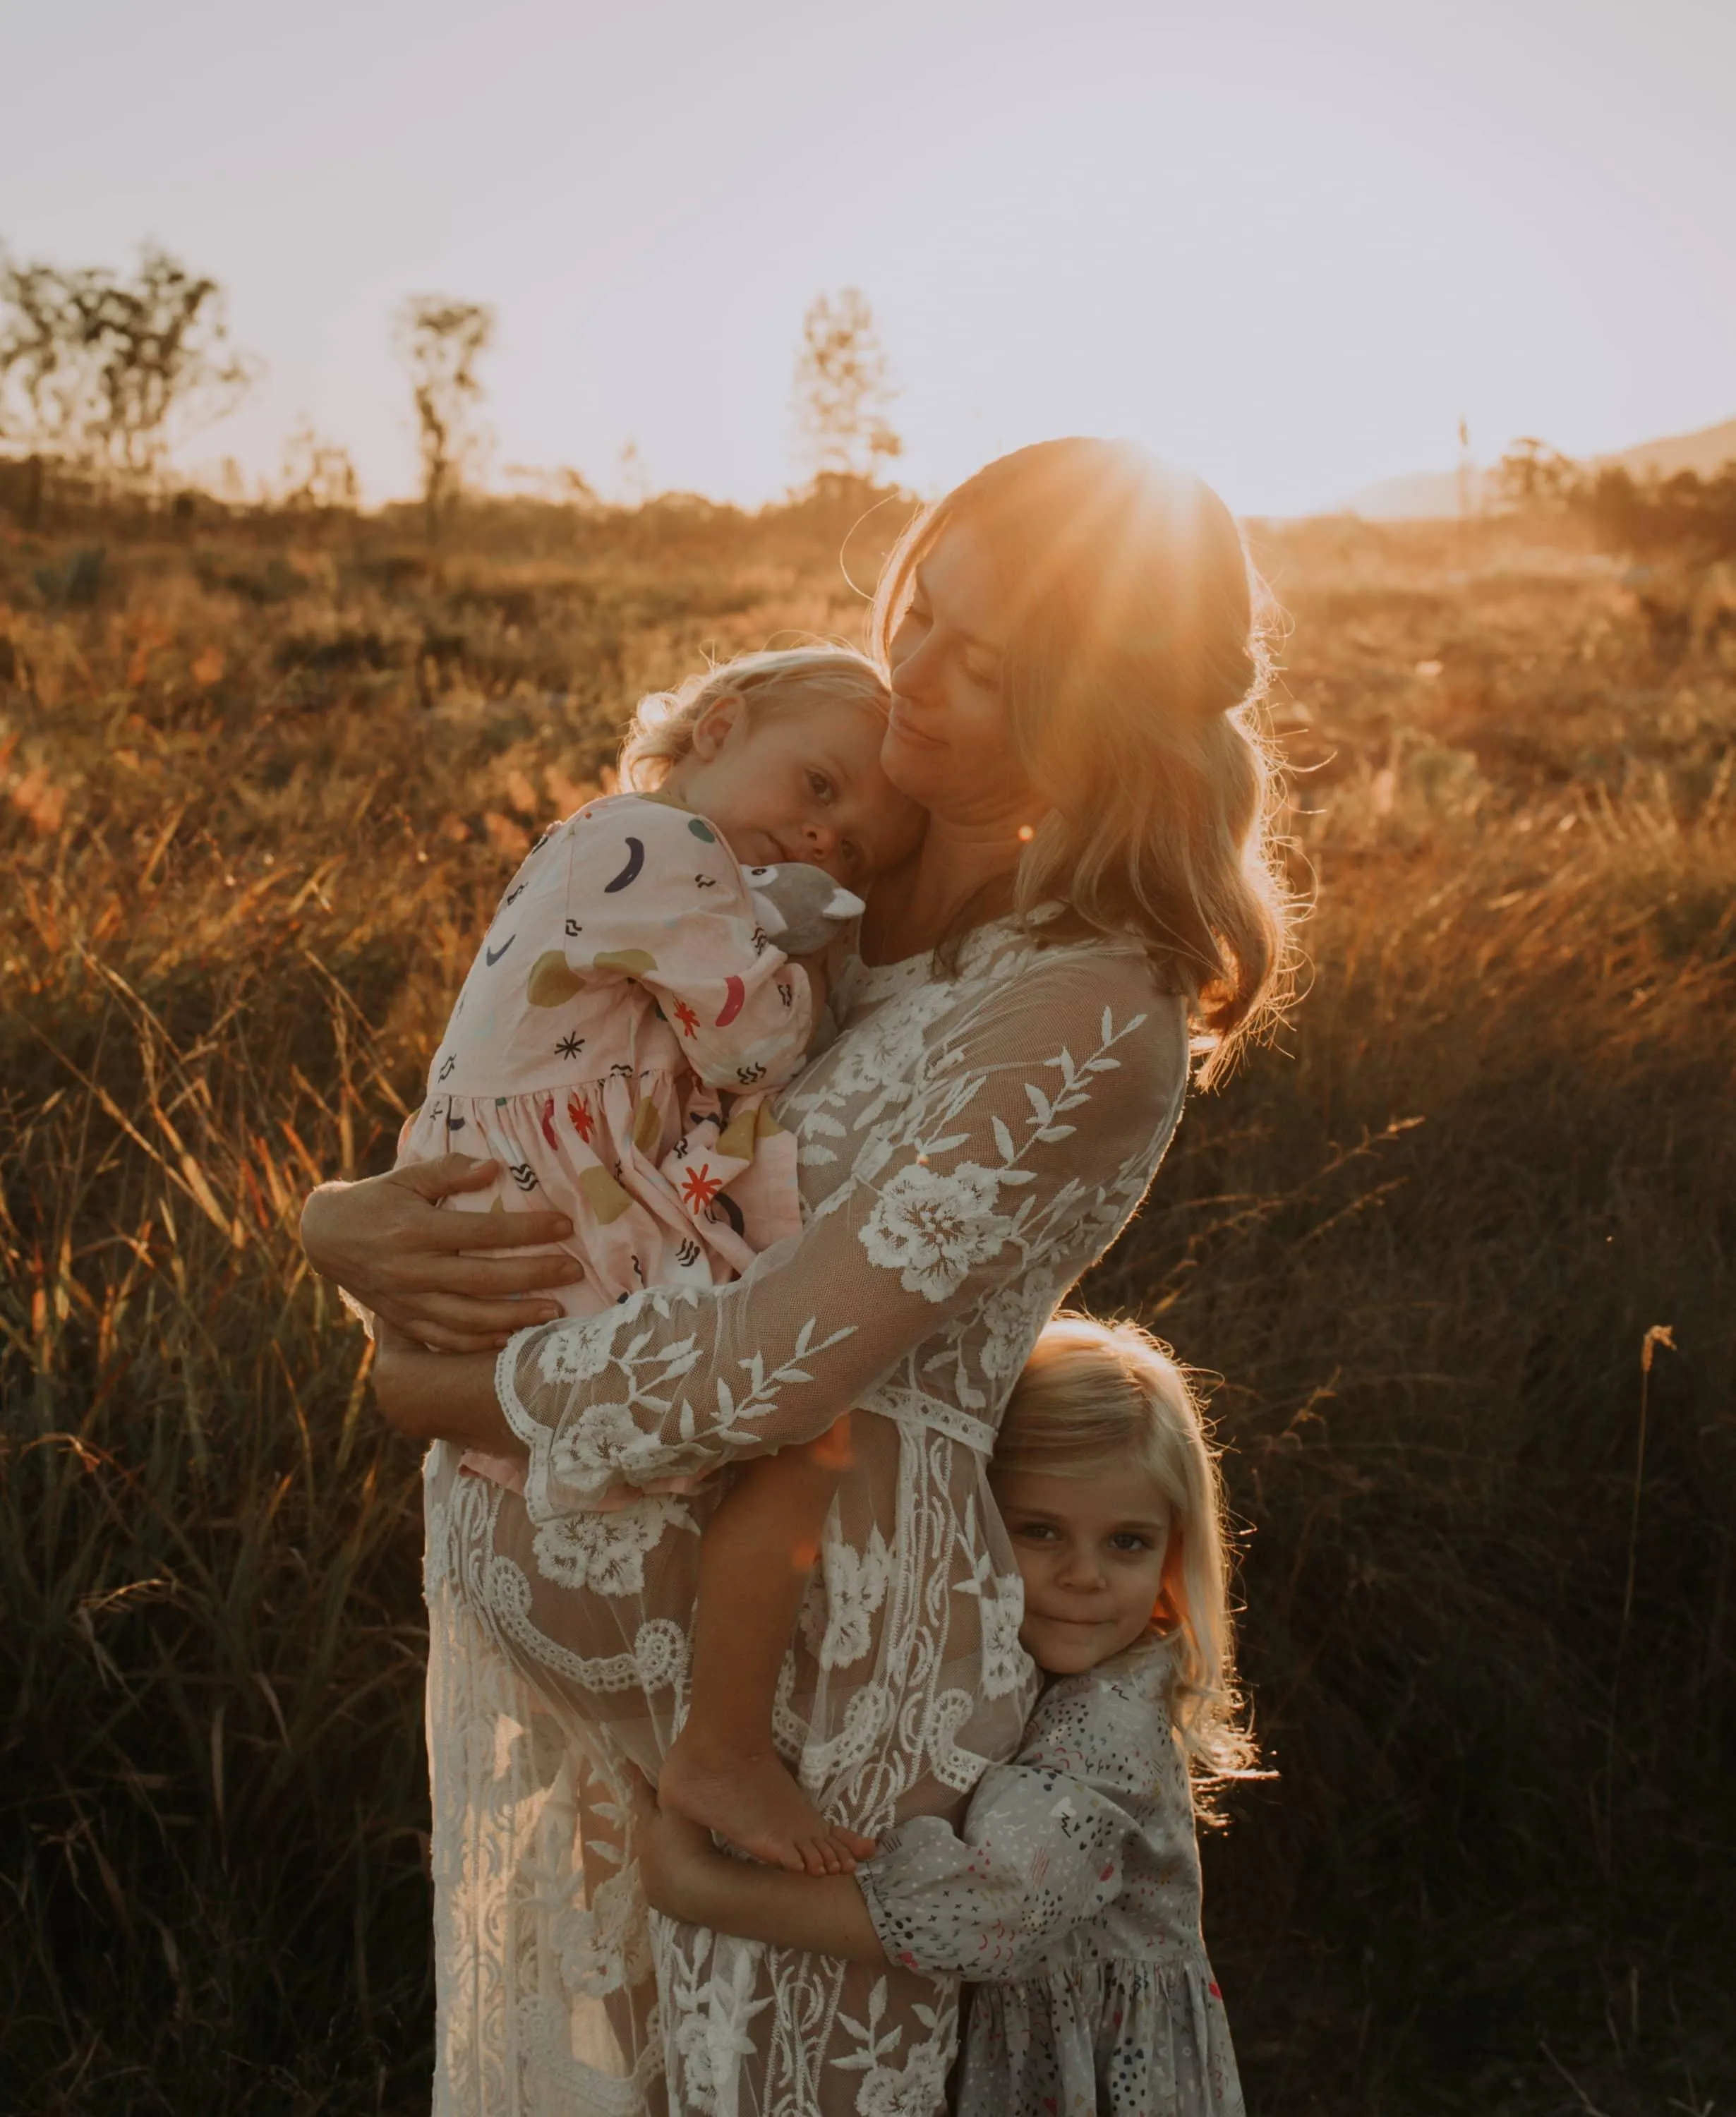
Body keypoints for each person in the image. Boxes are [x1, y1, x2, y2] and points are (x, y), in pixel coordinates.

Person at [301, 438, 1291, 2117]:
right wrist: (340, 1220)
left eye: (995, 669)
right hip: (620, 1684)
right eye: (927, 614)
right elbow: (550, 1079)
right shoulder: (812, 873)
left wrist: (423, 1388)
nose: (922, 679)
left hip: (833, 1686)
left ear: (1105, 719)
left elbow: (778, 1362)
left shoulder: (1091, 1008)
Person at [392, 646, 922, 1874]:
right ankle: (720, 1744)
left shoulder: (617, 848)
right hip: (566, 1194)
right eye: (818, 788)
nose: (819, 843)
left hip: (555, 1171)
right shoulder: (663, 846)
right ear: (718, 726)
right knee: (787, 1419)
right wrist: (814, 951)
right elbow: (746, 1045)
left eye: (853, 854)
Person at [635, 1313, 1249, 2117]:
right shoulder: (1014, 1669)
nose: (1083, 1575)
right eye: (1039, 1531)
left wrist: (702, 1889)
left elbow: (1001, 1908)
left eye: (1127, 1543)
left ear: (1175, 1553)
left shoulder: (1113, 1725)